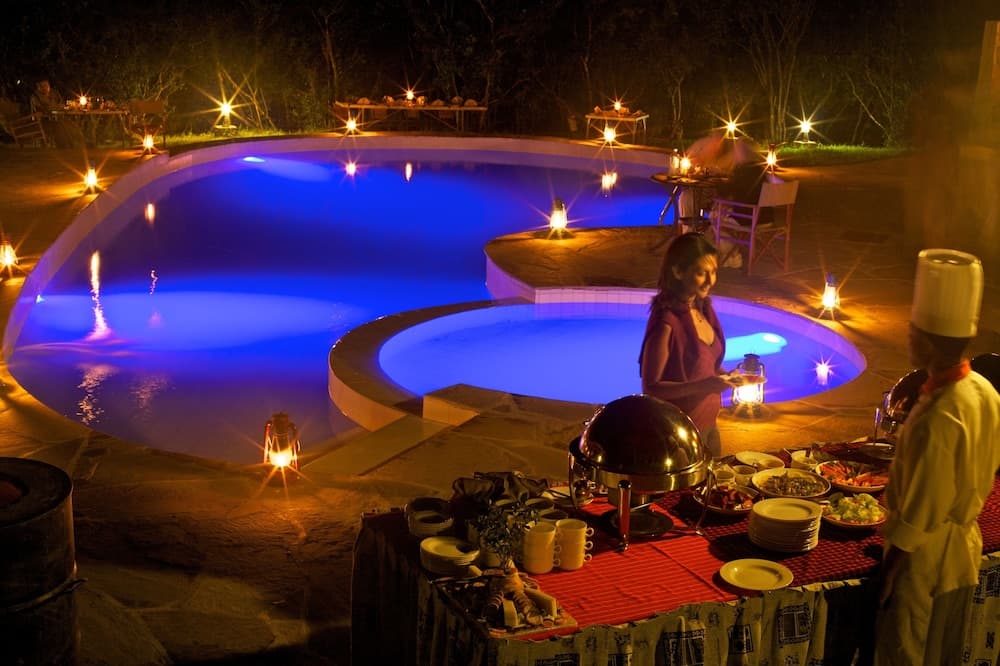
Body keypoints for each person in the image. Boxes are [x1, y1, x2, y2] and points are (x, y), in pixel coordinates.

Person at [874, 249, 1000, 664]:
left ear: (927, 343)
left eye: (911, 332)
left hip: (923, 562)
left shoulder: (940, 415)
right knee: (944, 652)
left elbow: (920, 513)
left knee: (906, 654)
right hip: (963, 553)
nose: (906, 337)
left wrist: (889, 573)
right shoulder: (983, 390)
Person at [638, 232, 740, 459]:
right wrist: (705, 385)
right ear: (678, 271)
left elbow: (704, 364)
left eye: (714, 272)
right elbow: (651, 388)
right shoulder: (666, 323)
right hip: (680, 435)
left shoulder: (704, 308)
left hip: (709, 424)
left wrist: (726, 376)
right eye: (701, 273)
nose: (710, 280)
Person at [29, 78, 83, 148]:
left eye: (46, 85)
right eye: (41, 86)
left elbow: (62, 104)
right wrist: (55, 107)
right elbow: (43, 110)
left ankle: (78, 141)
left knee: (69, 123)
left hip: (57, 117)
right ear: (38, 87)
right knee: (59, 124)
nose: (44, 88)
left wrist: (59, 107)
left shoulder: (54, 93)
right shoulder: (35, 97)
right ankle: (64, 145)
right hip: (42, 121)